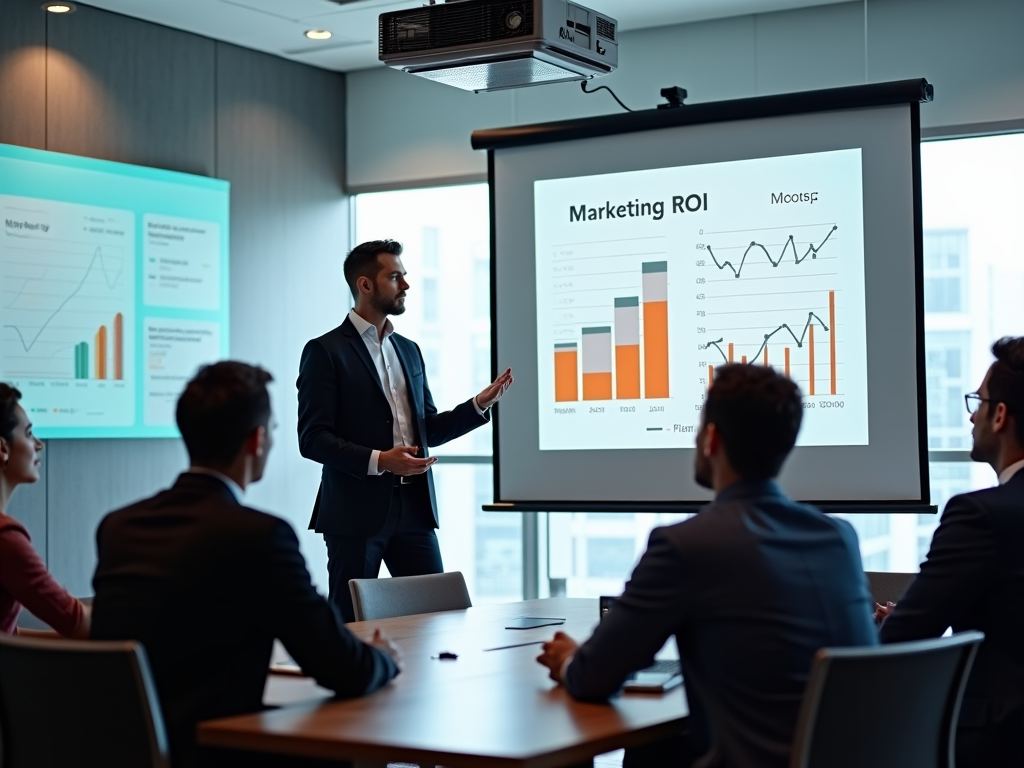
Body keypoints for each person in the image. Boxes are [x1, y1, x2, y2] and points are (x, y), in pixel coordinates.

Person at [536, 364, 877, 768]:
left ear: (711, 439)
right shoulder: (839, 538)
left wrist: (570, 660)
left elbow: (596, 676)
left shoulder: (686, 545)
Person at [91, 362, 400, 768]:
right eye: (272, 431)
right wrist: (382, 657)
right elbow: (341, 668)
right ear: (257, 440)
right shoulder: (260, 536)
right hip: (216, 750)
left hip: (125, 750)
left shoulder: (118, 527)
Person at [297, 239, 513, 621]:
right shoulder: (325, 351)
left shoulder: (409, 350)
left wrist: (478, 405)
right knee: (352, 623)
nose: (406, 285)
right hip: (355, 513)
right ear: (365, 285)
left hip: (414, 510)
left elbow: (426, 428)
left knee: (439, 617)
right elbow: (313, 439)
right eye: (395, 277)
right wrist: (382, 461)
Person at [878, 336, 1024, 768]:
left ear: (1000, 416)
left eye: (977, 403)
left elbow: (907, 635)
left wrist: (898, 625)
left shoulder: (980, 514)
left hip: (996, 742)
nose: (972, 416)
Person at [0, 383, 90, 639]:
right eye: (28, 434)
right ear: (2, 448)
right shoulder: (6, 538)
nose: (38, 444)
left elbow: (8, 638)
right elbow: (78, 624)